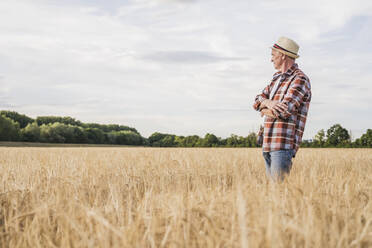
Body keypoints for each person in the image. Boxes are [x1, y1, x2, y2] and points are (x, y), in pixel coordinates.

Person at [253, 36, 311, 181]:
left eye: (273, 55)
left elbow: (283, 111)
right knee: (273, 196)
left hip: (282, 145)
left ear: (283, 55)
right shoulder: (276, 78)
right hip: (267, 142)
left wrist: (263, 109)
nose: (271, 59)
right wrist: (268, 102)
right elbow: (256, 100)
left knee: (278, 194)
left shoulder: (300, 79)